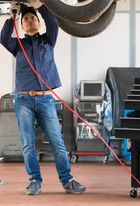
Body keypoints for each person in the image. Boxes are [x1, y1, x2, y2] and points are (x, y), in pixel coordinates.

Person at [0, 2, 86, 195]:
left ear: (39, 22)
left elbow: (53, 23)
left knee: (57, 142)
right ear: (22, 26)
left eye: (33, 18)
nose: (30, 20)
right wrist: (12, 17)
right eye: (26, 19)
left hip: (46, 100)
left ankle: (68, 180)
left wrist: (39, 5)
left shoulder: (48, 40)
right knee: (28, 144)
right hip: (23, 101)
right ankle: (34, 181)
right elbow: (3, 37)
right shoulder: (17, 45)